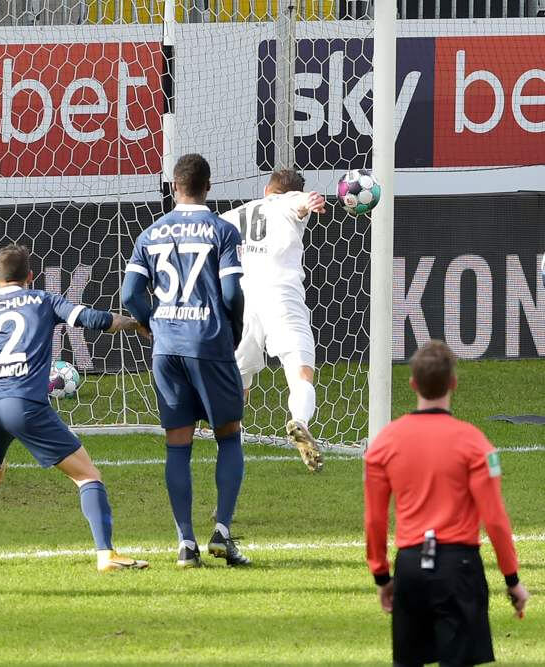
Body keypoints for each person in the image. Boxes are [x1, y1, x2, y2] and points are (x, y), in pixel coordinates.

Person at [0, 244, 149, 572]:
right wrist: (136, 324)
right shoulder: (43, 300)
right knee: (88, 475)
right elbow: (91, 319)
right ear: (31, 277)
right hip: (24, 405)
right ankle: (106, 554)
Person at [364, 340, 529, 666]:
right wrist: (512, 580)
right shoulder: (476, 444)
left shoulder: (384, 443)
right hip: (459, 569)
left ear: (413, 384)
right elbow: (495, 519)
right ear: (453, 382)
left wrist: (382, 577)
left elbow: (374, 519)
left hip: (410, 566)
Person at [120, 153, 249, 568]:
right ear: (208, 187)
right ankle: (223, 533)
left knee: (178, 443)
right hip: (209, 342)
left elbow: (128, 296)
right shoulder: (222, 231)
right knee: (228, 435)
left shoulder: (150, 234)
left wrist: (150, 324)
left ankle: (185, 544)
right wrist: (234, 331)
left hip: (167, 347)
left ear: (174, 187)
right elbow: (231, 294)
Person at [219, 169, 326, 472]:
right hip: (281, 296)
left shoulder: (238, 212)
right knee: (300, 370)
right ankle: (300, 422)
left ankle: (230, 448)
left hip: (242, 299)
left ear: (267, 189)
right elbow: (301, 201)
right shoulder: (289, 200)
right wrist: (312, 201)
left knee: (238, 379)